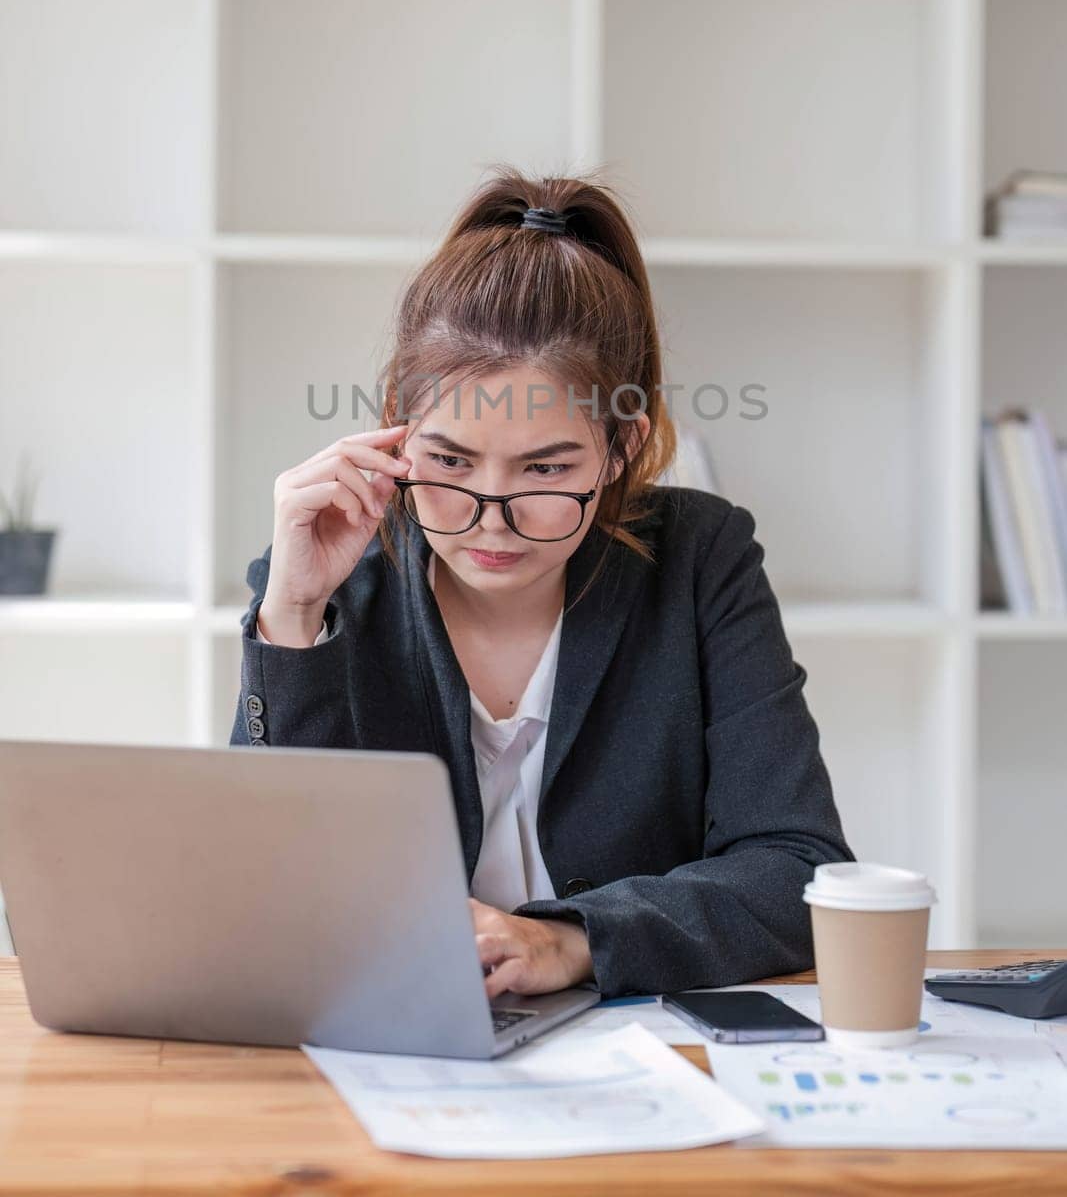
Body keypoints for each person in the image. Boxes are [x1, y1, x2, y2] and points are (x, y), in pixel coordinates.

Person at [231, 166, 854, 1001]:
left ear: (622, 448)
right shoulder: (332, 571)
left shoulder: (701, 558)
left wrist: (571, 940)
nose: (492, 518)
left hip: (634, 1050)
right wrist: (294, 614)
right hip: (393, 1041)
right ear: (395, 432)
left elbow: (798, 870)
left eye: (545, 469)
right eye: (449, 462)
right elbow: (259, 892)